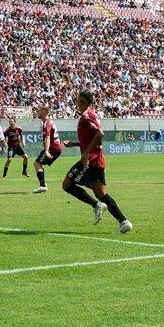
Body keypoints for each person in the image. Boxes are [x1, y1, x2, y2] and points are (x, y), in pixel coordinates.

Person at [61, 91, 132, 234]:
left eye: (79, 100)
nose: (77, 103)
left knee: (67, 184)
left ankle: (97, 206)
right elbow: (91, 139)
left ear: (84, 102)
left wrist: (86, 154)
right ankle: (124, 222)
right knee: (100, 193)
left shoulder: (87, 115)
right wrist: (74, 144)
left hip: (91, 160)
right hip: (95, 159)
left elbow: (100, 135)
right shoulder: (90, 114)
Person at [33, 105, 63, 193]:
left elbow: (48, 137)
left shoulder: (47, 123)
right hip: (54, 148)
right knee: (38, 163)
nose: (37, 112)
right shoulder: (47, 122)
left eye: (39, 110)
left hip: (53, 148)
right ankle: (43, 184)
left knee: (37, 163)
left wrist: (46, 151)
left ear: (44, 112)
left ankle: (42, 186)